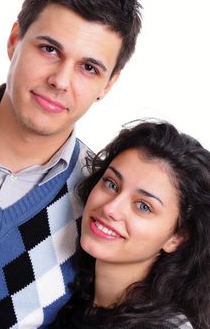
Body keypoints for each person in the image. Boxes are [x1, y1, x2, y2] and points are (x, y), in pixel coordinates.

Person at [0, 0, 142, 328]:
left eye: (89, 68)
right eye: (50, 49)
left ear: (108, 85)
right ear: (14, 40)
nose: (61, 80)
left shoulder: (102, 212)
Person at [53, 120, 210, 329]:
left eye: (143, 206)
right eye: (111, 184)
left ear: (177, 238)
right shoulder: (70, 295)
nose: (110, 208)